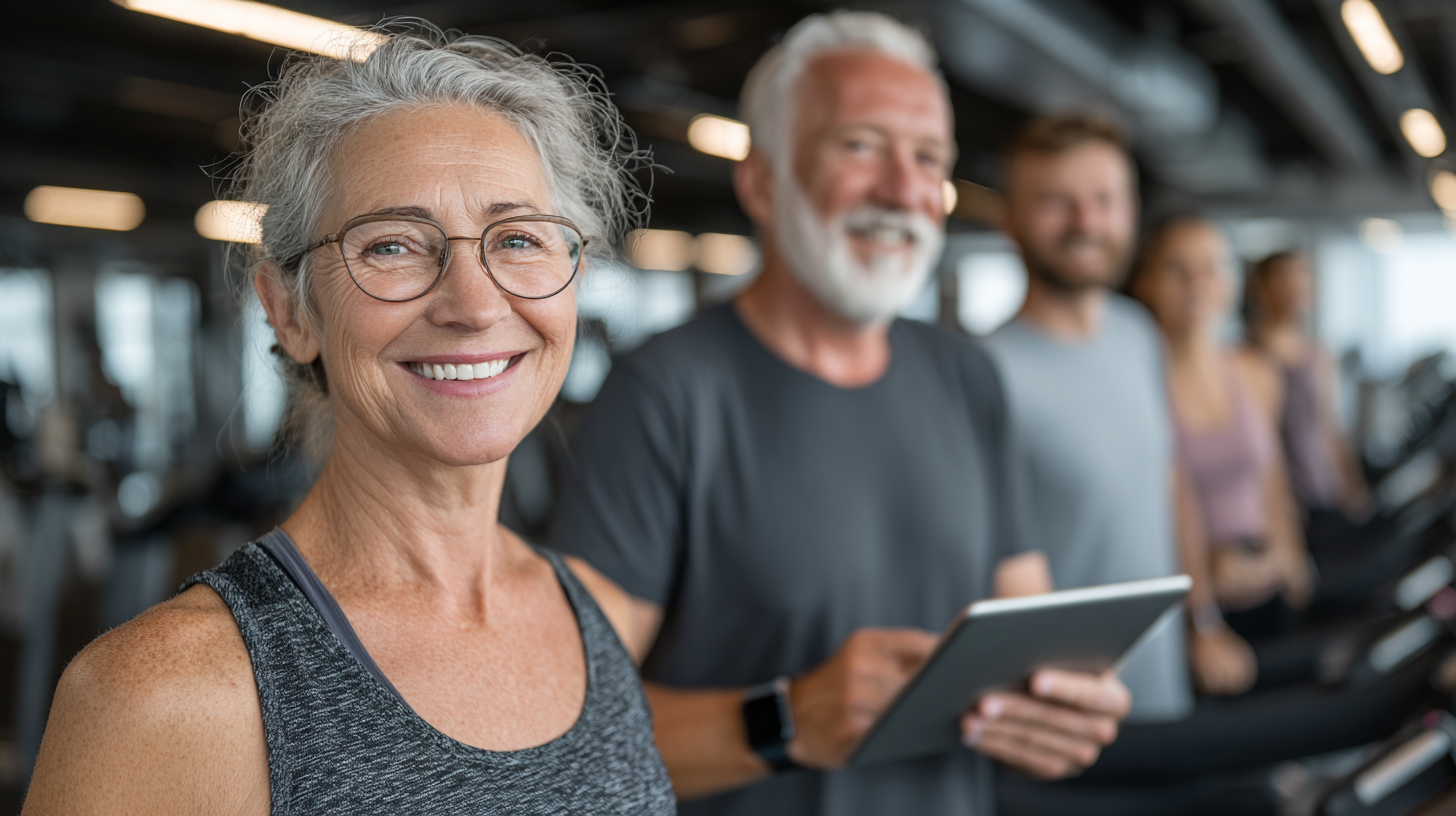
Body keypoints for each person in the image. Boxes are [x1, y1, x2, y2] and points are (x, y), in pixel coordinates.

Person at [22, 29, 674, 815]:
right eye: (393, 245)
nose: (474, 305)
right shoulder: (167, 693)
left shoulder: (591, 617)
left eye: (519, 239)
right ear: (290, 311)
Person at [551, 12, 1130, 816]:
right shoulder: (665, 393)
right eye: (860, 146)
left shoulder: (967, 376)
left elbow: (1025, 633)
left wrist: (1062, 705)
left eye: (928, 158)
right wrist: (781, 719)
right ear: (762, 181)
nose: (902, 191)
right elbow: (562, 735)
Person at [985, 114, 1214, 715]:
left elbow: (1167, 485)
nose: (1086, 222)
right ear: (1009, 219)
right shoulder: (985, 373)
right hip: (1064, 714)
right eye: (1055, 202)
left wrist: (1203, 622)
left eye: (1104, 200)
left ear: (1130, 211)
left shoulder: (1139, 334)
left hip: (1166, 687)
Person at [1131, 217, 1314, 640]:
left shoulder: (1256, 372)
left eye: (1212, 268)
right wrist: (1203, 606)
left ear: (1232, 281)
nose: (1197, 284)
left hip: (1266, 586)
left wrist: (1290, 555)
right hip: (1190, 611)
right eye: (1178, 269)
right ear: (1146, 282)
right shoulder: (1139, 386)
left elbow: (1272, 483)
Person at [1244, 251, 1370, 522]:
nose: (1295, 285)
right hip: (1276, 503)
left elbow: (1329, 424)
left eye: (1302, 274)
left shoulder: (1318, 355)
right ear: (1260, 287)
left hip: (1323, 492)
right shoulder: (1246, 358)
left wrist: (1352, 483)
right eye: (1283, 276)